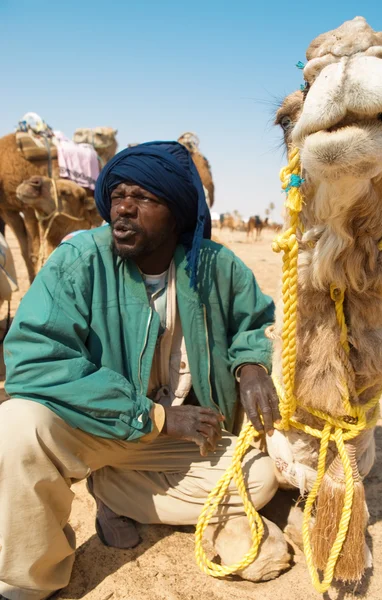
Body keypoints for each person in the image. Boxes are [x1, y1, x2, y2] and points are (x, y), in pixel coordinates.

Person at [0, 142, 283, 600]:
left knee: (262, 478)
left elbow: (253, 323)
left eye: (144, 198)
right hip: (94, 427)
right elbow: (33, 358)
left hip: (172, 438)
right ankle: (31, 577)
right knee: (14, 427)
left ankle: (113, 492)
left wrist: (251, 366)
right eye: (117, 196)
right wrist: (153, 416)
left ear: (175, 211)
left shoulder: (215, 267)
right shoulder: (79, 260)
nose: (124, 209)